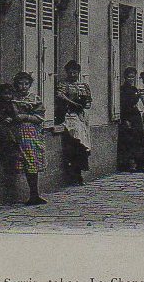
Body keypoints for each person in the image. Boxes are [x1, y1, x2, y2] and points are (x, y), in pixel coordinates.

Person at [11, 71, 47, 205]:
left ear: (30, 85)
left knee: (32, 160)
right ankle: (32, 194)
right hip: (17, 132)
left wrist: (25, 117)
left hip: (31, 132)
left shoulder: (34, 98)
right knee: (23, 160)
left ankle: (34, 194)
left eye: (26, 84)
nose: (23, 87)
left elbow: (40, 117)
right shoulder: (12, 99)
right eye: (20, 84)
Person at [55, 60, 92, 185]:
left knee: (83, 144)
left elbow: (88, 101)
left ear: (78, 72)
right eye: (70, 72)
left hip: (81, 117)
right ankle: (74, 174)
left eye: (75, 72)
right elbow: (60, 96)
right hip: (69, 116)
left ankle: (79, 172)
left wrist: (84, 104)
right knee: (75, 142)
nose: (72, 75)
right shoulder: (63, 84)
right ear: (66, 72)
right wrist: (73, 103)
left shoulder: (83, 86)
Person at [118, 67, 144, 172]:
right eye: (129, 77)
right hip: (128, 116)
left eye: (133, 77)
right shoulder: (122, 89)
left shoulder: (135, 89)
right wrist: (125, 119)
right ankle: (130, 164)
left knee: (139, 139)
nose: (131, 79)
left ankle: (141, 163)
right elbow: (123, 105)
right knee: (129, 141)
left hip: (136, 116)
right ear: (125, 77)